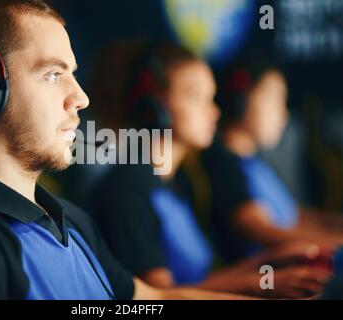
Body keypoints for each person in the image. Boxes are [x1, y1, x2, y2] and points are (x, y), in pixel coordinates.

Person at [0, 0, 255, 300]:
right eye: (52, 74)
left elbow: (148, 297)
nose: (80, 98)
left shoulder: (70, 218)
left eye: (73, 74)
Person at [85, 41, 330, 298]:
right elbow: (158, 295)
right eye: (196, 97)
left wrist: (270, 260)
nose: (213, 111)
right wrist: (257, 283)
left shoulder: (178, 182)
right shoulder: (128, 189)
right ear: (154, 106)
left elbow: (199, 280)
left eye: (211, 98)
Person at [203, 56, 343, 263]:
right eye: (274, 99)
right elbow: (262, 230)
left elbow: (289, 216)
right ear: (241, 100)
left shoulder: (252, 159)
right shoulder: (224, 164)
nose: (283, 114)